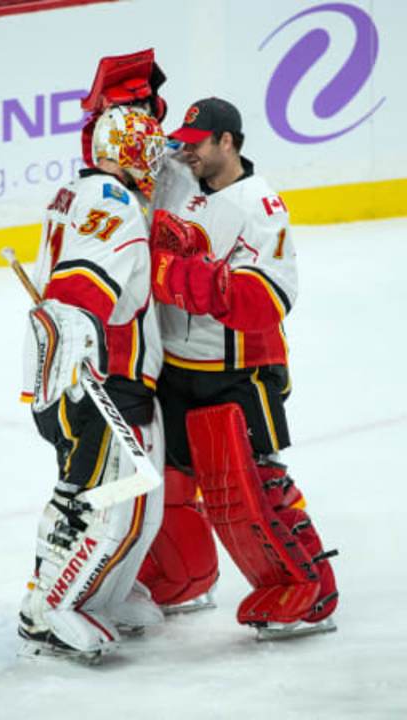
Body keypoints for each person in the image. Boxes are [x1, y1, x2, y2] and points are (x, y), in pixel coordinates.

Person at [139, 96, 339, 639]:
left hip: (240, 371)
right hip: (177, 369)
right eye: (183, 141)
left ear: (228, 142)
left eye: (198, 143)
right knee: (172, 485)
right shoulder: (180, 178)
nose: (188, 152)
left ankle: (312, 592)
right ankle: (184, 580)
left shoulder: (261, 207)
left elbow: (267, 299)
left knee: (256, 485)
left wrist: (177, 275)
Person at [17, 103, 167, 661]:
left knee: (116, 495)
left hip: (80, 372)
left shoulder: (75, 193)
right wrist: (81, 361)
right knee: (103, 500)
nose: (154, 164)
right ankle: (52, 607)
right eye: (147, 151)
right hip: (102, 375)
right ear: (126, 154)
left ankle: (103, 594)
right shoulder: (116, 202)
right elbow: (84, 285)